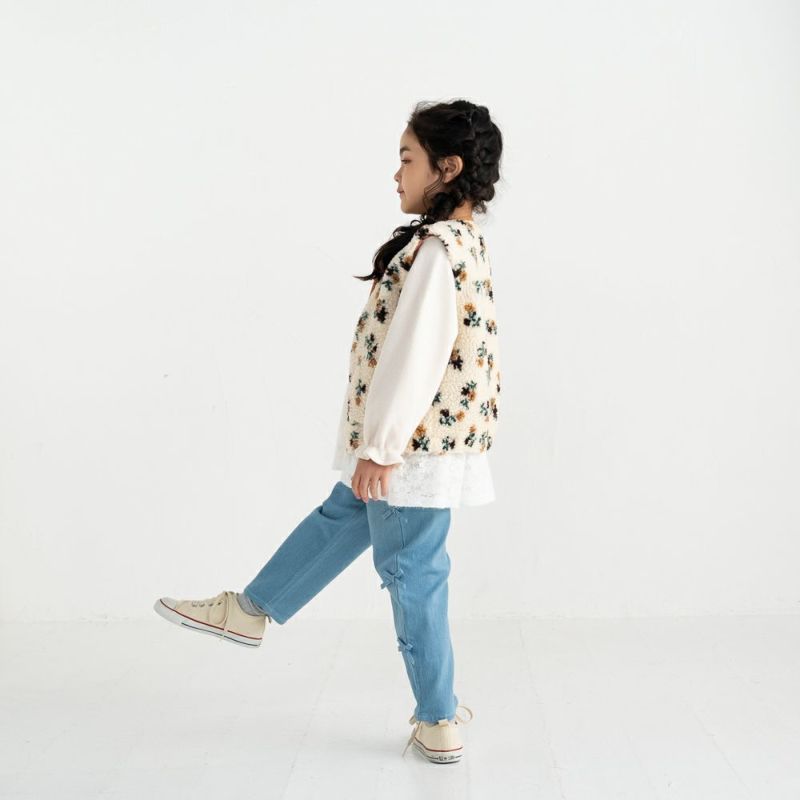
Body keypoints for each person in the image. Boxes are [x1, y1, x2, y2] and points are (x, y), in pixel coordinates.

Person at [153, 99, 504, 765]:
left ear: (448, 168)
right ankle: (252, 609)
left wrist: (381, 448)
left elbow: (415, 356)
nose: (395, 174)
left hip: (409, 452)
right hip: (421, 447)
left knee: (414, 573)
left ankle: (437, 717)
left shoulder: (437, 251)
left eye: (407, 159)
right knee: (343, 517)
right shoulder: (462, 244)